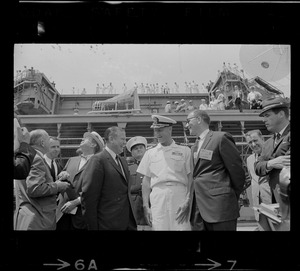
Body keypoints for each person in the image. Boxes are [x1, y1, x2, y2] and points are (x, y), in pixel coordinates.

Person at [186, 110, 246, 231]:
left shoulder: (220, 138)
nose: (187, 125)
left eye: (188, 121)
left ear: (198, 119)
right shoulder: (194, 147)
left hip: (220, 207)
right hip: (198, 209)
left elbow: (236, 170)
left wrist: (230, 195)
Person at [137, 115, 192, 231]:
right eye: (155, 130)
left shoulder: (185, 151)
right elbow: (146, 182)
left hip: (179, 194)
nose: (157, 134)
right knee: (159, 227)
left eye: (160, 130)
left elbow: (191, 178)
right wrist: (146, 206)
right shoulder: (150, 153)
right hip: (158, 195)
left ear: (170, 129)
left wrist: (188, 200)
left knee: (182, 227)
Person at [81, 126, 137, 230]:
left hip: (126, 224)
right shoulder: (98, 160)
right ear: (111, 139)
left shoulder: (123, 161)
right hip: (106, 224)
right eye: (122, 139)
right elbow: (89, 198)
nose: (125, 142)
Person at [14, 129, 70, 230]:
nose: (50, 142)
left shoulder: (28, 157)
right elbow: (35, 189)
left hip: (28, 217)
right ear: (42, 142)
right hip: (38, 220)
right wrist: (58, 186)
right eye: (49, 139)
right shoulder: (37, 158)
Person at [56, 131, 104, 230]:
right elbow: (60, 178)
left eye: (86, 138)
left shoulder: (99, 163)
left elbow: (97, 190)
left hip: (82, 215)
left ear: (93, 144)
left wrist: (76, 202)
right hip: (63, 213)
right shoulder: (72, 160)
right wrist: (61, 175)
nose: (82, 139)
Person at [255, 97, 290, 204]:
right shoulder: (269, 142)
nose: (264, 120)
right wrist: (271, 163)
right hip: (276, 201)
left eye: (267, 115)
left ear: (281, 114)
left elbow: (287, 162)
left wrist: (266, 164)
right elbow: (257, 167)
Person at [245, 130, 272, 223]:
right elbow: (253, 179)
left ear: (262, 139)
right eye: (250, 142)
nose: (253, 144)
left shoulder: (273, 155)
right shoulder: (249, 160)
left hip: (273, 203)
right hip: (257, 205)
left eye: (255, 140)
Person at [126, 136, 148, 229]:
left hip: (150, 204)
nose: (138, 150)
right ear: (131, 153)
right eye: (135, 148)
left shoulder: (152, 164)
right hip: (135, 207)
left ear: (145, 149)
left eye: (141, 147)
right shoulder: (128, 168)